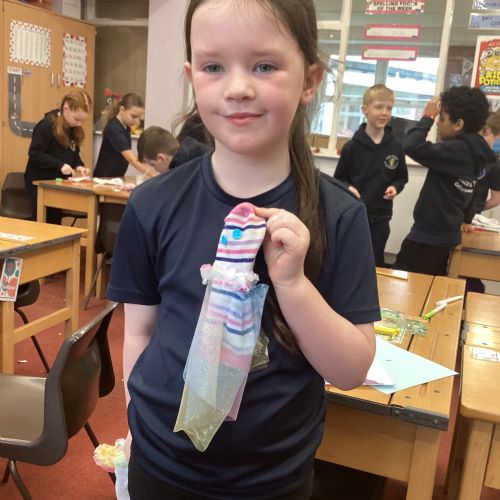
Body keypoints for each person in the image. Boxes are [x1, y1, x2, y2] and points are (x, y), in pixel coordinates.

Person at [108, 1, 379, 499]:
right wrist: (132, 414)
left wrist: (292, 284)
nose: (237, 87)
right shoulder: (152, 205)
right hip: (159, 464)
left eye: (265, 65)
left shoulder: (340, 215)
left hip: (272, 479)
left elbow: (351, 370)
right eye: (213, 67)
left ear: (309, 80)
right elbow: (139, 331)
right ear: (192, 77)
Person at [393, 86, 496, 276]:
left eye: (442, 118)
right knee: (430, 282)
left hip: (428, 238)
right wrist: (466, 218)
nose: (438, 124)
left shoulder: (456, 150)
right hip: (447, 235)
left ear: (458, 124)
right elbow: (475, 189)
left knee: (403, 282)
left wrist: (428, 117)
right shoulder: (477, 150)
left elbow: (410, 145)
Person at [334, 84, 408, 267]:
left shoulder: (396, 146)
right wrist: (349, 187)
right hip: (356, 215)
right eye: (379, 107)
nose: (384, 113)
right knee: (353, 260)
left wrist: (395, 188)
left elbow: (401, 177)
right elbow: (339, 179)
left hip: (381, 217)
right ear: (364, 110)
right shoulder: (351, 147)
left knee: (375, 262)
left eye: (389, 108)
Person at [24, 89, 92, 224]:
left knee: (55, 223)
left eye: (83, 121)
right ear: (66, 108)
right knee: (44, 223)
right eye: (77, 119)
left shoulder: (72, 127)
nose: (80, 124)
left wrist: (79, 165)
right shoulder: (46, 125)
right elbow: (35, 154)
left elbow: (73, 152)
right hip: (39, 182)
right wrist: (59, 165)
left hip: (57, 183)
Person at [93, 93, 153, 178]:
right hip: (103, 178)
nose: (137, 122)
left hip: (116, 177)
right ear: (122, 110)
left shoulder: (126, 127)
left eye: (139, 118)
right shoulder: (113, 128)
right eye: (134, 116)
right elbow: (131, 158)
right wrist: (153, 175)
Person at [462, 110, 500, 231]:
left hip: (469, 220)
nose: (480, 137)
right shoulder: (460, 153)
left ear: (497, 136)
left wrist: (475, 209)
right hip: (447, 215)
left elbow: (496, 199)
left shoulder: (494, 164)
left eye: (485, 132)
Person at [136, 124, 210, 174]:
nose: (155, 170)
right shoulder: (192, 152)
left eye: (153, 165)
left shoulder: (182, 171)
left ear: (161, 158)